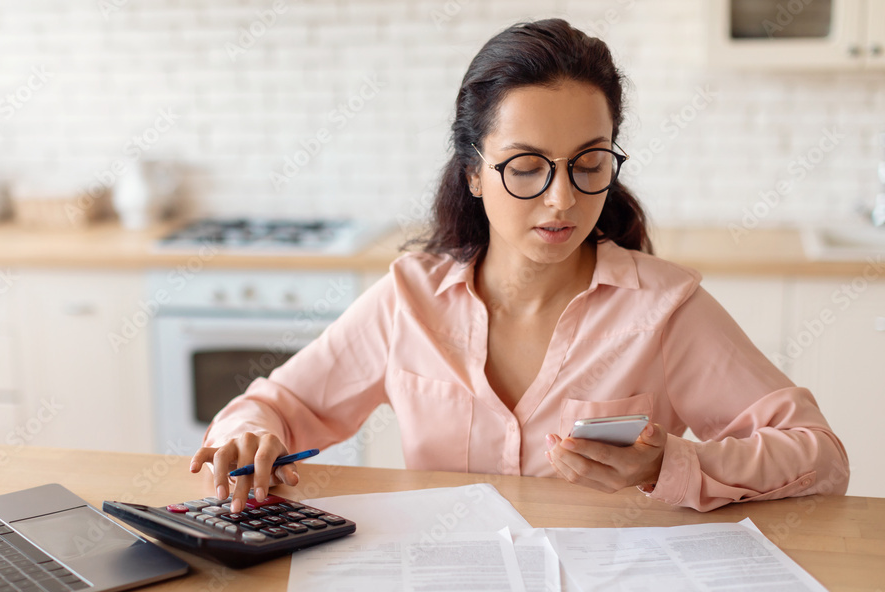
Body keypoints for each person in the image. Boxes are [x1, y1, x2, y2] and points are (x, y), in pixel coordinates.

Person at [190, 18, 848, 513]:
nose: (562, 199)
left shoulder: (664, 310)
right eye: (527, 167)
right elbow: (278, 404)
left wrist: (669, 465)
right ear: (474, 173)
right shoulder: (410, 302)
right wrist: (250, 434)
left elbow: (820, 457)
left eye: (589, 164)